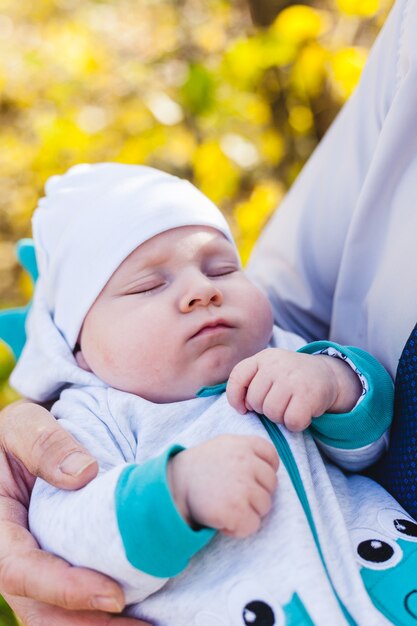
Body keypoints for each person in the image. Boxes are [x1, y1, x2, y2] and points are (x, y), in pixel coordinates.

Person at [0, 0, 414, 623]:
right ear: (79, 348)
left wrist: (333, 382)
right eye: (147, 287)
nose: (202, 290)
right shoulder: (94, 417)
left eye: (221, 267)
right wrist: (176, 493)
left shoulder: (277, 354)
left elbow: (370, 445)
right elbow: (68, 531)